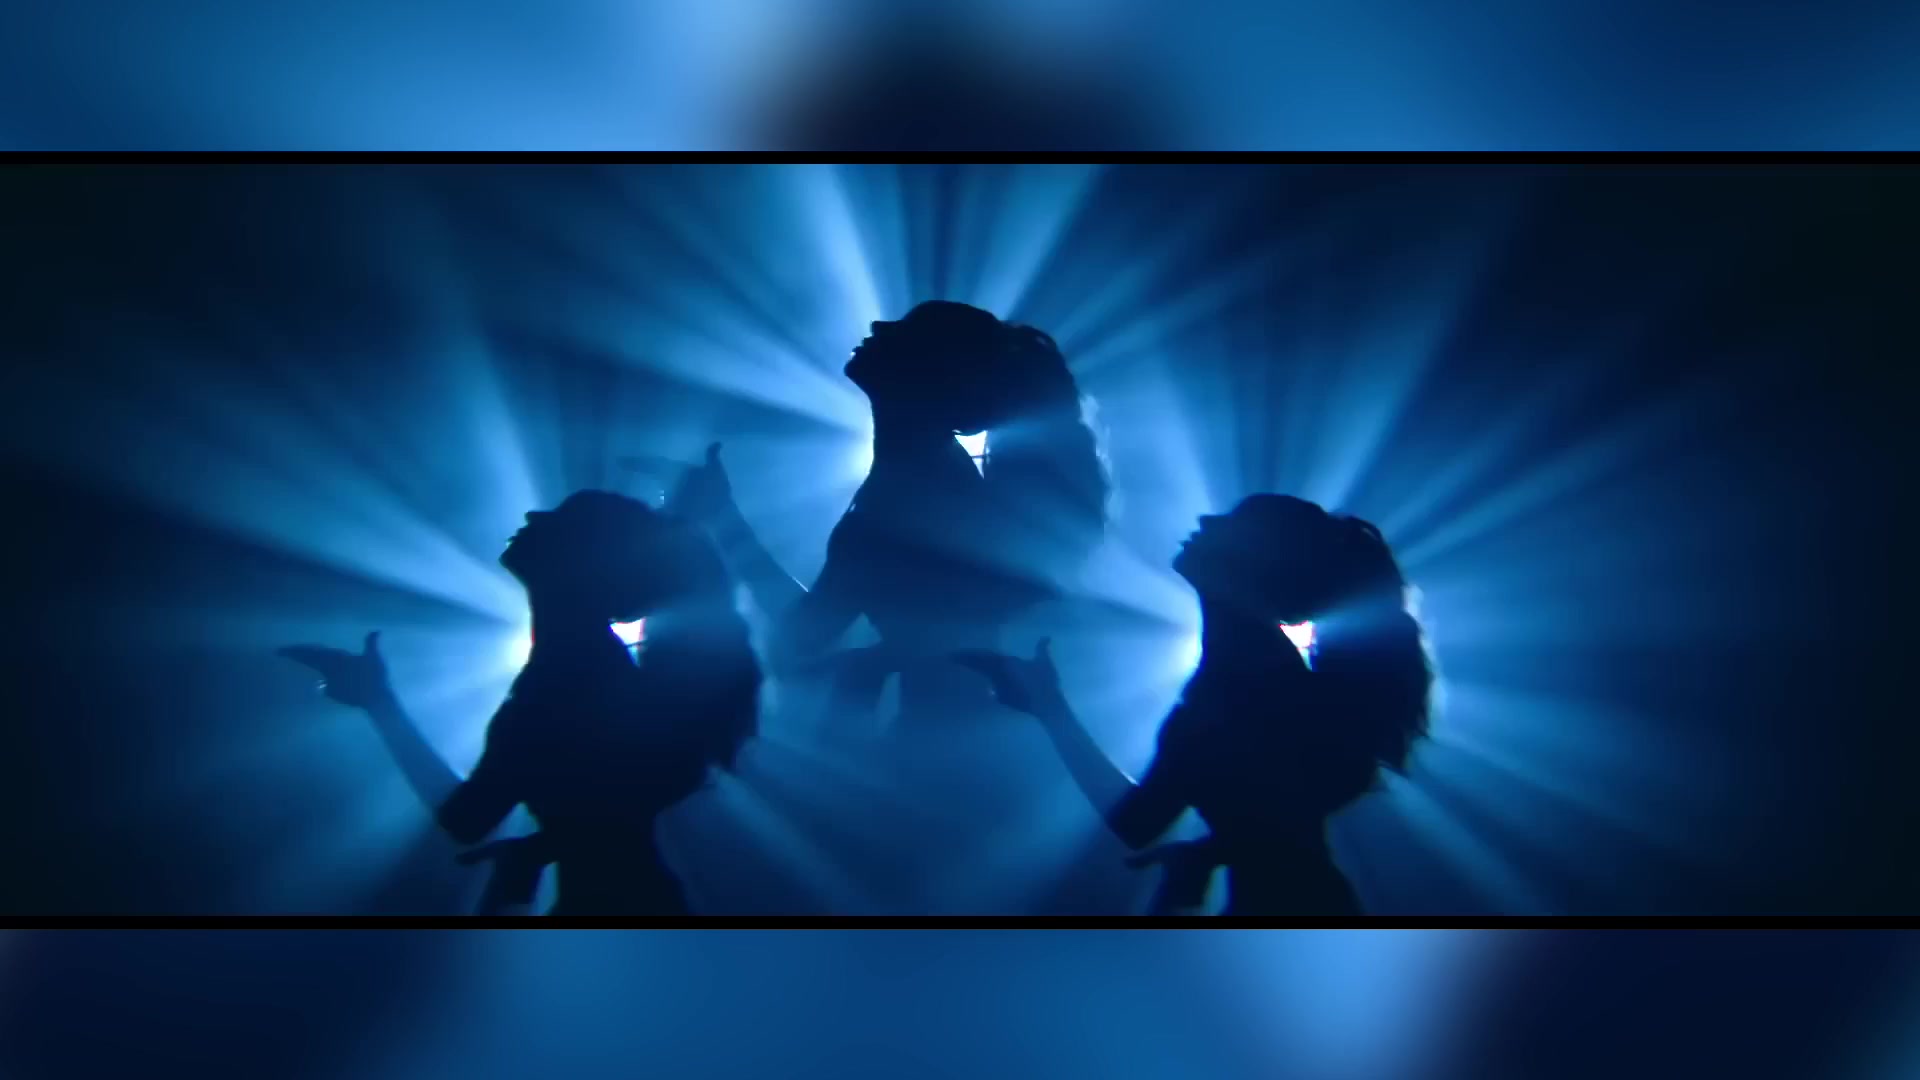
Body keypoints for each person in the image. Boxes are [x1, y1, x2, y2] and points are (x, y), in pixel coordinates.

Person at [670, 300, 1109, 910]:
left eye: (904, 329)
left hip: (936, 773)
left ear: (928, 372)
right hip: (956, 759)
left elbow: (806, 635)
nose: (877, 327)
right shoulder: (918, 479)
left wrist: (721, 527)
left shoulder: (914, 487)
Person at [281, 491, 759, 915]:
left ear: (585, 562)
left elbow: (467, 818)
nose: (533, 515)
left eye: (562, 517)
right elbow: (476, 817)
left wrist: (379, 703)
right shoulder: (576, 667)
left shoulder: (570, 676)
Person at [959, 495, 1434, 915]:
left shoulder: (1241, 678)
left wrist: (1050, 707)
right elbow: (1272, 812)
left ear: (1257, 562)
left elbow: (1138, 821)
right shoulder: (1249, 668)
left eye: (1234, 522)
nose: (1207, 520)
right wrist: (1220, 849)